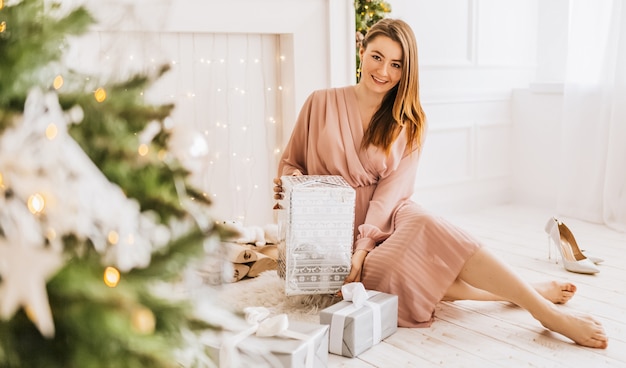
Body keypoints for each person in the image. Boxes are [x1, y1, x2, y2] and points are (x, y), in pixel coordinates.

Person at [273, 18, 608, 349]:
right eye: (377, 56)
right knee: (392, 273)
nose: (384, 72)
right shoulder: (320, 102)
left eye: (396, 64)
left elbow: (390, 195)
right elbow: (291, 162)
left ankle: (544, 311)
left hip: (384, 220)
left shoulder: (409, 121)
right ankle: (524, 291)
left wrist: (362, 249)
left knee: (427, 224)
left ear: (407, 70)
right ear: (362, 50)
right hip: (329, 232)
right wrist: (295, 185)